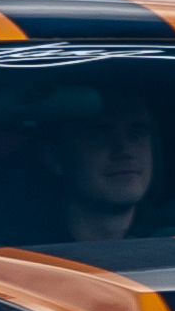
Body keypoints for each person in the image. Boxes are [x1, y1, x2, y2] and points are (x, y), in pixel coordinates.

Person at [34, 91, 159, 241]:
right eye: (99, 135)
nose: (125, 150)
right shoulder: (13, 253)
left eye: (137, 133)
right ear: (54, 157)